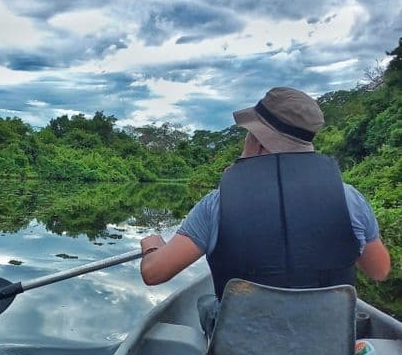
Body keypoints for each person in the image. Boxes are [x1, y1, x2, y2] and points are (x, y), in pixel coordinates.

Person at [139, 87, 391, 335]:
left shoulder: (218, 202)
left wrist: (152, 245)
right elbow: (379, 271)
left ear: (258, 142)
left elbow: (154, 273)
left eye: (248, 133)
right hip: (327, 348)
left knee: (206, 303)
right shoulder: (350, 199)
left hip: (239, 353)